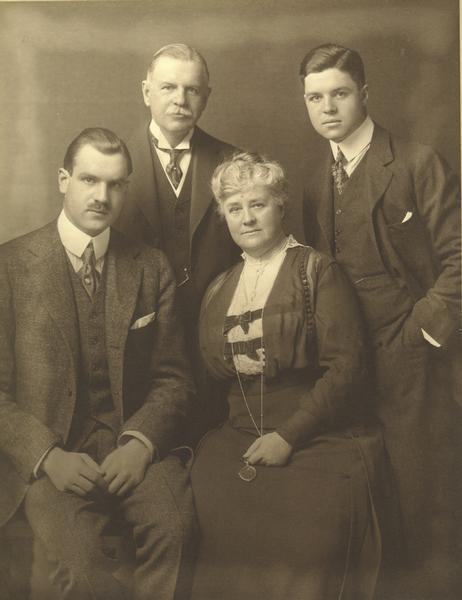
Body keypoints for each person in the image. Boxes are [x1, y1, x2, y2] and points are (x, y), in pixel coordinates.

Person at [0, 128, 196, 600]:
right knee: (82, 566)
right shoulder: (10, 266)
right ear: (64, 180)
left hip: (132, 446)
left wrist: (141, 444)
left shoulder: (151, 266)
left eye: (115, 184)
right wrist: (47, 456)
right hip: (54, 456)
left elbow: (174, 378)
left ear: (126, 187)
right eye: (89, 180)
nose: (102, 196)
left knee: (178, 530)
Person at [300, 43, 461, 599]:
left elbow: (460, 259)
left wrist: (423, 332)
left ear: (365, 95)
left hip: (413, 352)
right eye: (315, 97)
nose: (328, 108)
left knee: (424, 496)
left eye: (339, 94)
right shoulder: (317, 175)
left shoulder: (417, 162)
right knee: (365, 492)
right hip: (349, 356)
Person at [190, 152, 389, 600]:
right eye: (234, 208)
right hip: (236, 436)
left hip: (316, 435)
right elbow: (212, 380)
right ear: (224, 217)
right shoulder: (218, 287)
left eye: (257, 204)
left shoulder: (316, 271)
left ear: (280, 204)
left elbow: (347, 368)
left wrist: (289, 434)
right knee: (211, 526)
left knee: (306, 537)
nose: (247, 217)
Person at [115, 43, 241, 437]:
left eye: (191, 89)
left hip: (216, 346)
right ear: (145, 91)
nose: (180, 100)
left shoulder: (233, 162)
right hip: (137, 346)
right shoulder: (112, 166)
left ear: (206, 97)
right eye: (168, 87)